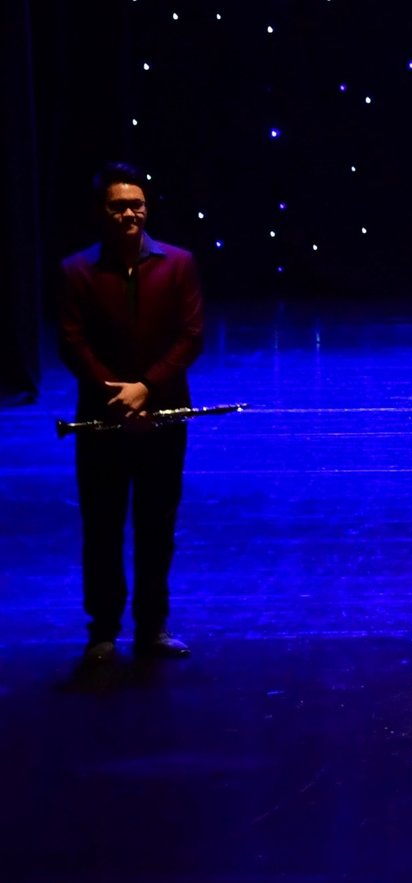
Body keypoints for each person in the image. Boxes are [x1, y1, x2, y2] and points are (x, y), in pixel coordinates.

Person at [55, 164, 205, 663]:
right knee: (102, 526)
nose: (129, 213)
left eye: (136, 204)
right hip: (103, 419)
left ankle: (152, 628)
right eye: (119, 206)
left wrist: (148, 387)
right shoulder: (77, 271)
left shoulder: (178, 263)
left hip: (162, 417)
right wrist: (117, 394)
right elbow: (72, 342)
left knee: (157, 525)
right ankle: (102, 631)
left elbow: (190, 336)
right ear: (102, 212)